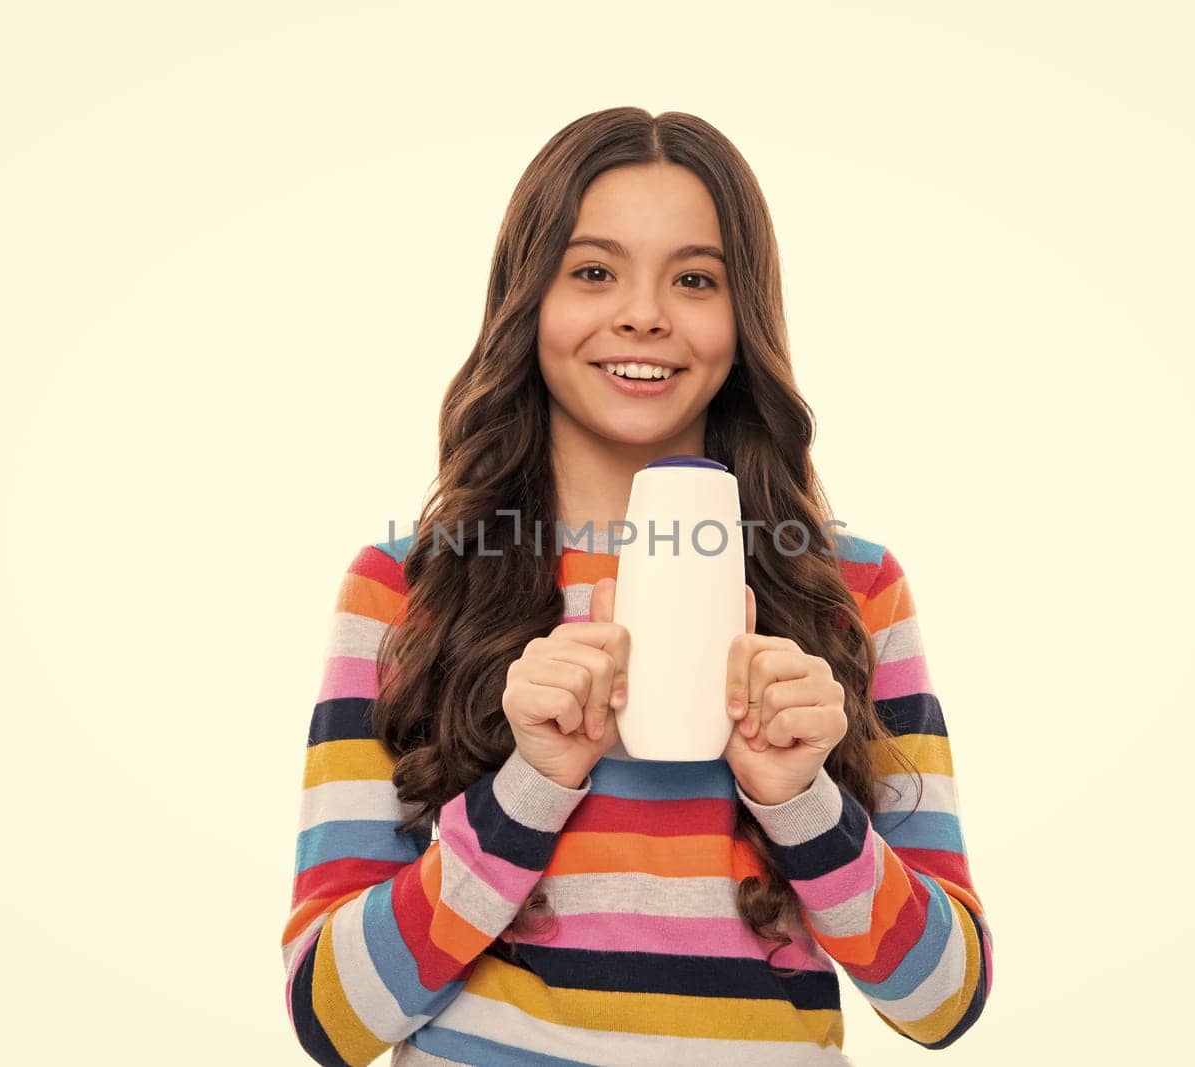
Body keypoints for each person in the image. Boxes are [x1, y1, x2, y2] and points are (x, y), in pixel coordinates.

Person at [280, 107, 992, 1066]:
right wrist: (532, 784)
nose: (644, 313)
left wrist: (798, 799)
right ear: (527, 300)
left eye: (695, 278)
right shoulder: (405, 590)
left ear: (745, 319)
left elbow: (943, 1000)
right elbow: (332, 1016)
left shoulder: (852, 591)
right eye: (594, 271)